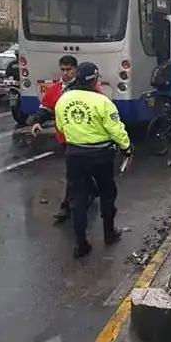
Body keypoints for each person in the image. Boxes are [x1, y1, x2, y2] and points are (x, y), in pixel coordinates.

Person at [53, 62, 133, 258]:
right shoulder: (102, 102)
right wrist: (127, 148)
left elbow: (61, 127)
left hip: (74, 155)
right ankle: (109, 233)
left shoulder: (63, 100)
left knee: (78, 199)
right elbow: (116, 129)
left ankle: (81, 244)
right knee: (107, 193)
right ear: (95, 78)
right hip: (101, 155)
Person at [29, 55, 102, 222]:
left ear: (76, 70)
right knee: (77, 173)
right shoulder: (55, 89)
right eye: (62, 69)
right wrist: (37, 122)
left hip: (84, 139)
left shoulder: (88, 89)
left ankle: (66, 207)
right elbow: (46, 109)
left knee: (73, 175)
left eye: (69, 70)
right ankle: (90, 190)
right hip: (65, 138)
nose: (65, 73)